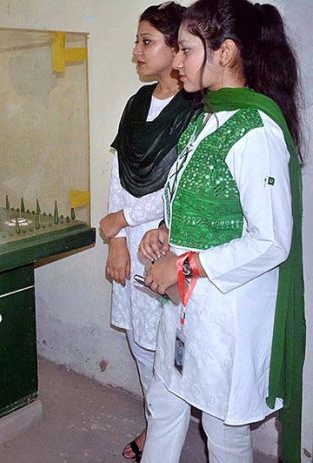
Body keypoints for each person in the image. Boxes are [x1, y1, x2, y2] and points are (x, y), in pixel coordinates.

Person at [138, 0, 305, 461]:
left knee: (223, 428)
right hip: (186, 300)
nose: (176, 62)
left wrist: (186, 265)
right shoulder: (207, 117)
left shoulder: (256, 131)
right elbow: (202, 201)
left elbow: (272, 240)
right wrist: (165, 230)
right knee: (164, 402)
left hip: (228, 313)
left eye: (187, 50)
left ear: (226, 53)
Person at [99, 2, 193, 460]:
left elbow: (180, 189)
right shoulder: (136, 104)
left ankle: (161, 434)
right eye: (137, 41)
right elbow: (119, 176)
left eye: (146, 41)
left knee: (166, 346)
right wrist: (117, 242)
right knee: (140, 342)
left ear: (177, 49)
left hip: (168, 244)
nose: (136, 50)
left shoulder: (194, 109)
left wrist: (125, 222)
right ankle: (154, 427)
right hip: (131, 245)